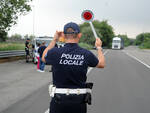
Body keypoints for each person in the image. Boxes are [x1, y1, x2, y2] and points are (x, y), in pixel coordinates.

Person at [42, 22, 105, 113]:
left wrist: (54, 40)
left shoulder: (55, 52)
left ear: (63, 35)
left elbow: (43, 58)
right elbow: (101, 64)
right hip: (78, 101)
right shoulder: (86, 53)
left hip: (59, 100)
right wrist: (99, 47)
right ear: (79, 35)